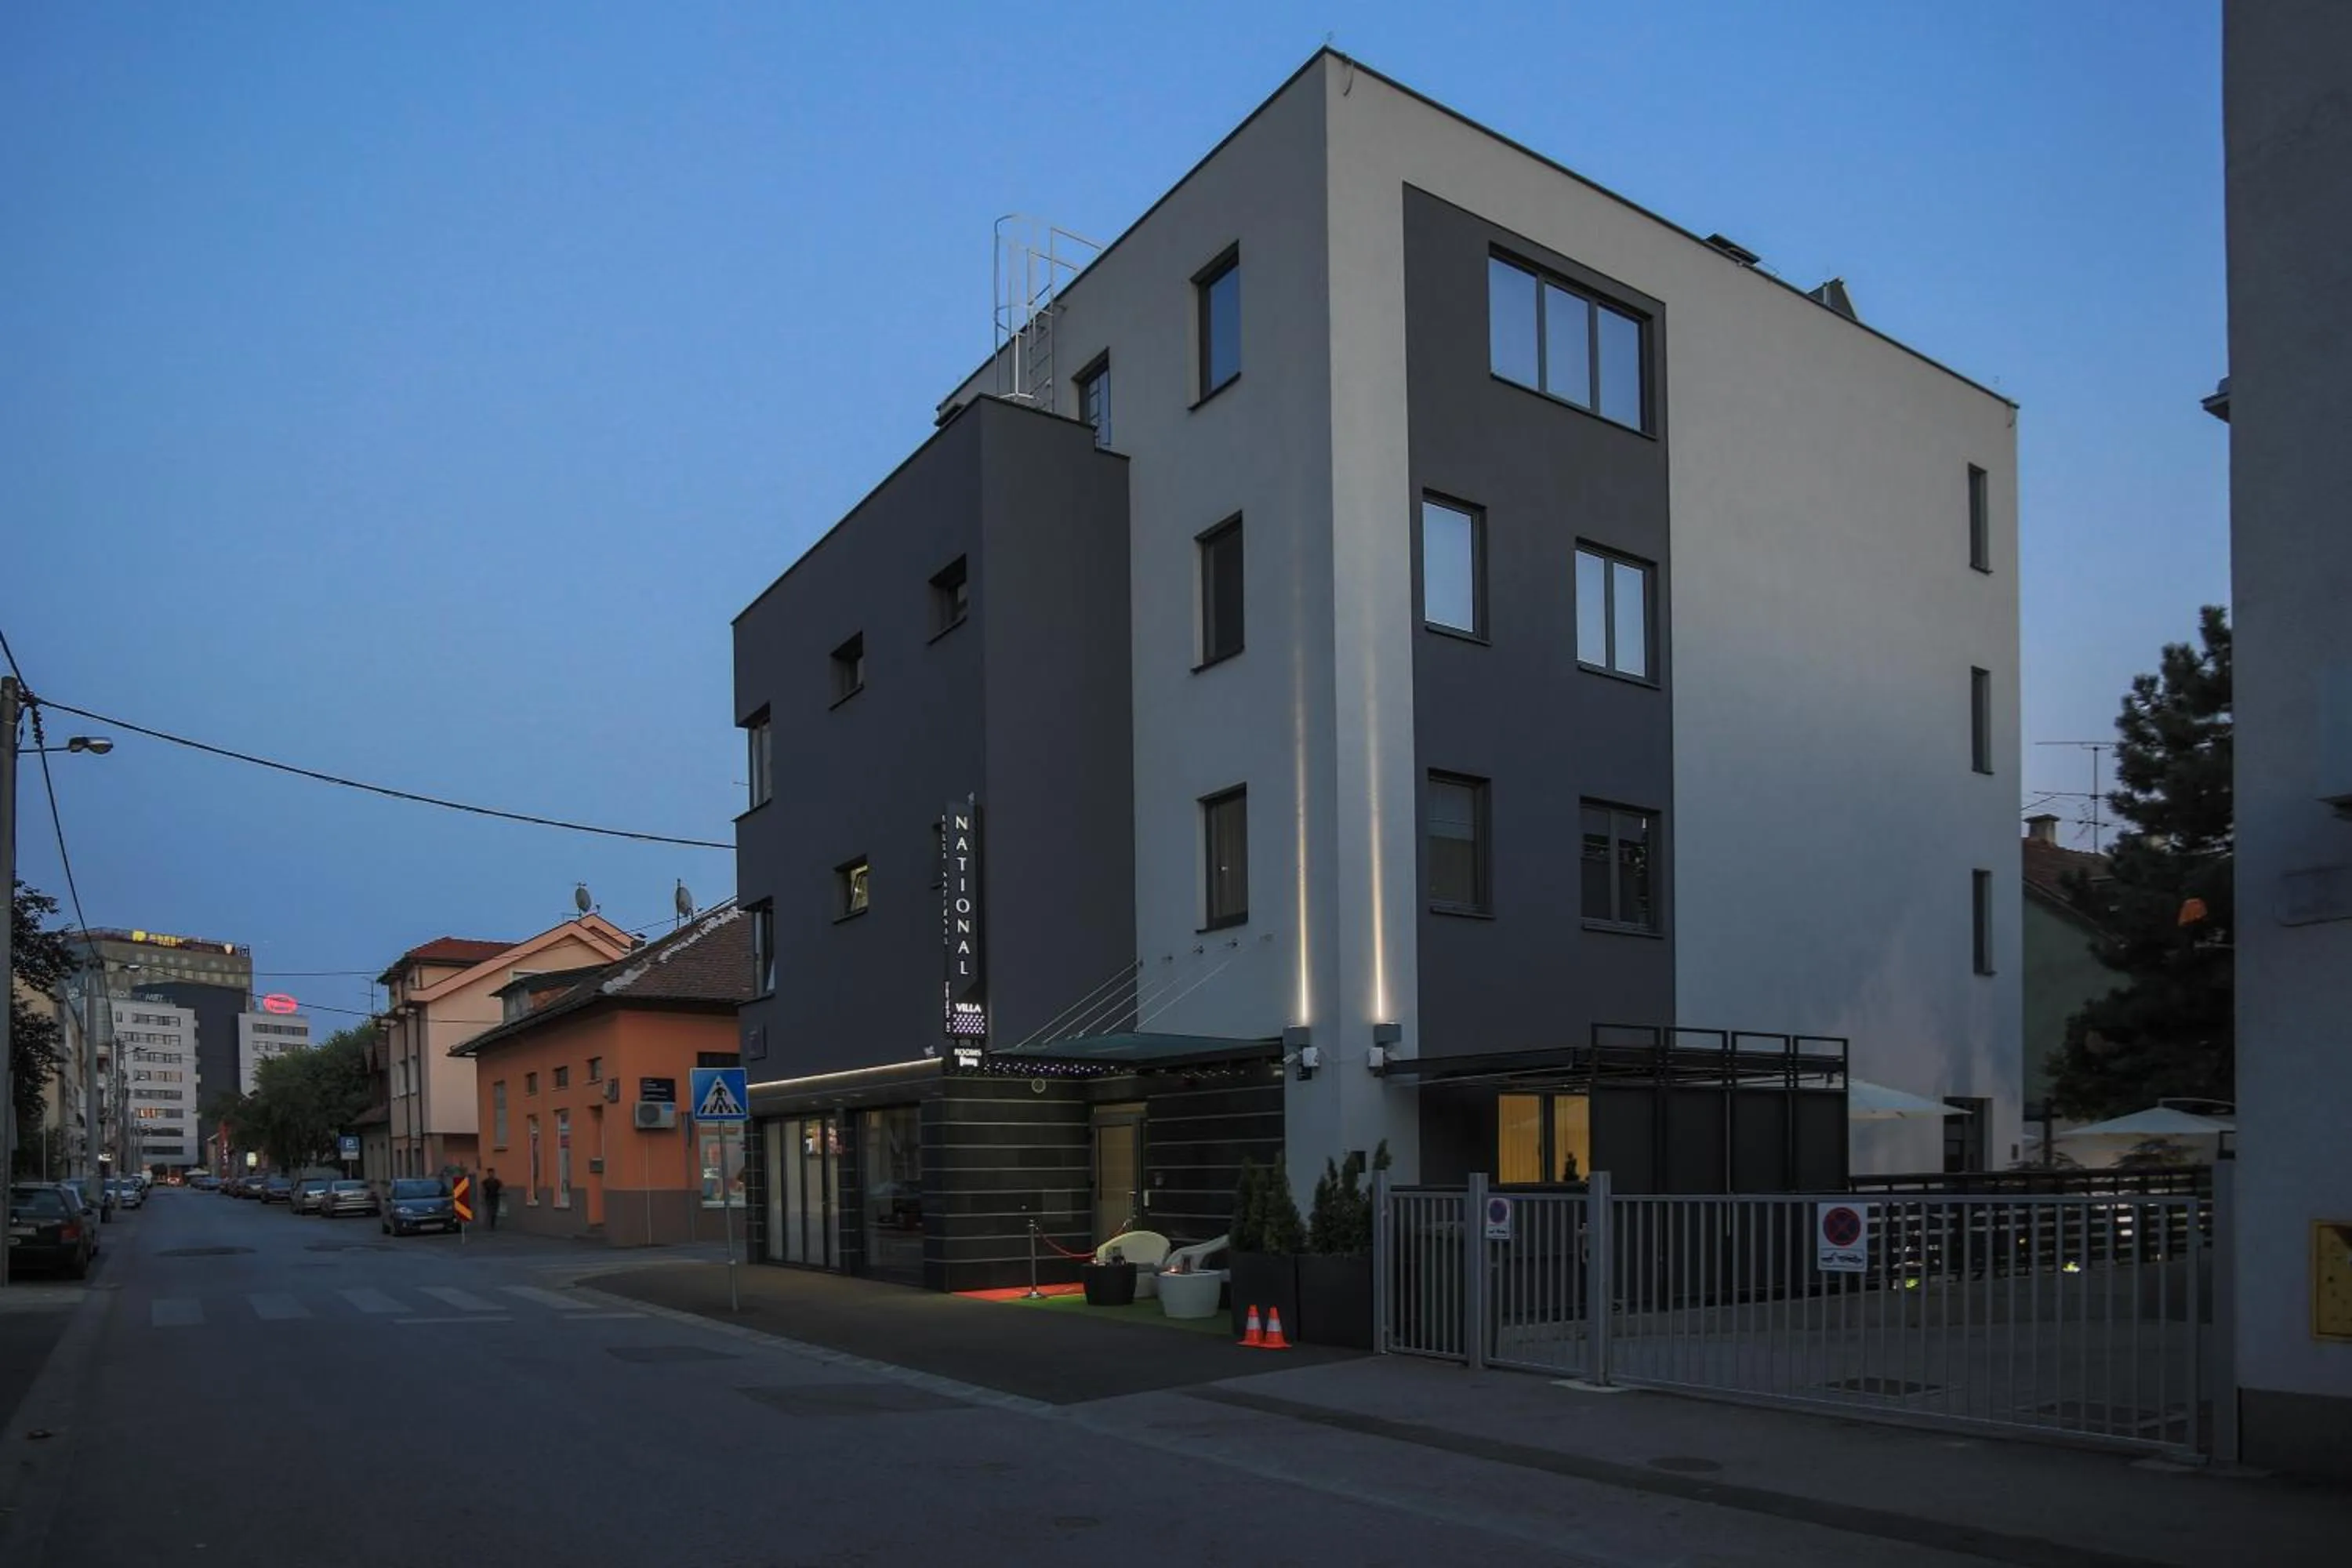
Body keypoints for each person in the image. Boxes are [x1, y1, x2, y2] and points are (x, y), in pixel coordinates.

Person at [482, 1167, 503, 1231]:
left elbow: (501, 1187)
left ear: (494, 1174)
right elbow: (483, 1190)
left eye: (492, 1173)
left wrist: (501, 1193)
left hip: (495, 1198)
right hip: (488, 1198)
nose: (491, 1174)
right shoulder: (485, 1182)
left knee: (494, 1212)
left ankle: (493, 1225)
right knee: (489, 1212)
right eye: (490, 1173)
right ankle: (489, 1225)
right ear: (488, 1174)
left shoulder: (497, 1182)